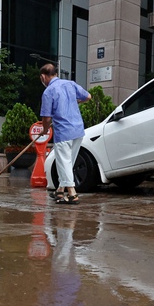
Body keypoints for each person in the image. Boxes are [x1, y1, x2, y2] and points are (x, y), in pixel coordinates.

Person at [39, 63, 91, 205]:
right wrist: (75, 102)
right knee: (68, 162)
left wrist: (44, 129)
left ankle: (72, 194)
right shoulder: (70, 84)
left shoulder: (49, 92)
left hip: (64, 131)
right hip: (78, 130)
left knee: (65, 162)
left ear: (43, 77)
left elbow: (47, 118)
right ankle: (60, 191)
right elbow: (88, 96)